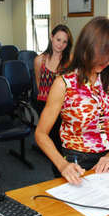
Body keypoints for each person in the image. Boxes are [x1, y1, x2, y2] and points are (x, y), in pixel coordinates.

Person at [35, 16, 109, 185]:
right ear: (89, 48)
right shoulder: (63, 84)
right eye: (106, 55)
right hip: (77, 161)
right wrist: (62, 164)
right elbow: (41, 134)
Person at [34, 24, 73, 178]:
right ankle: (59, 172)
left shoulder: (69, 60)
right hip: (45, 105)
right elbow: (39, 84)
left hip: (64, 106)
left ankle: (67, 168)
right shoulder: (39, 60)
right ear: (51, 37)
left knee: (65, 140)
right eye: (58, 39)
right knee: (54, 142)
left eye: (64, 42)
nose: (60, 44)